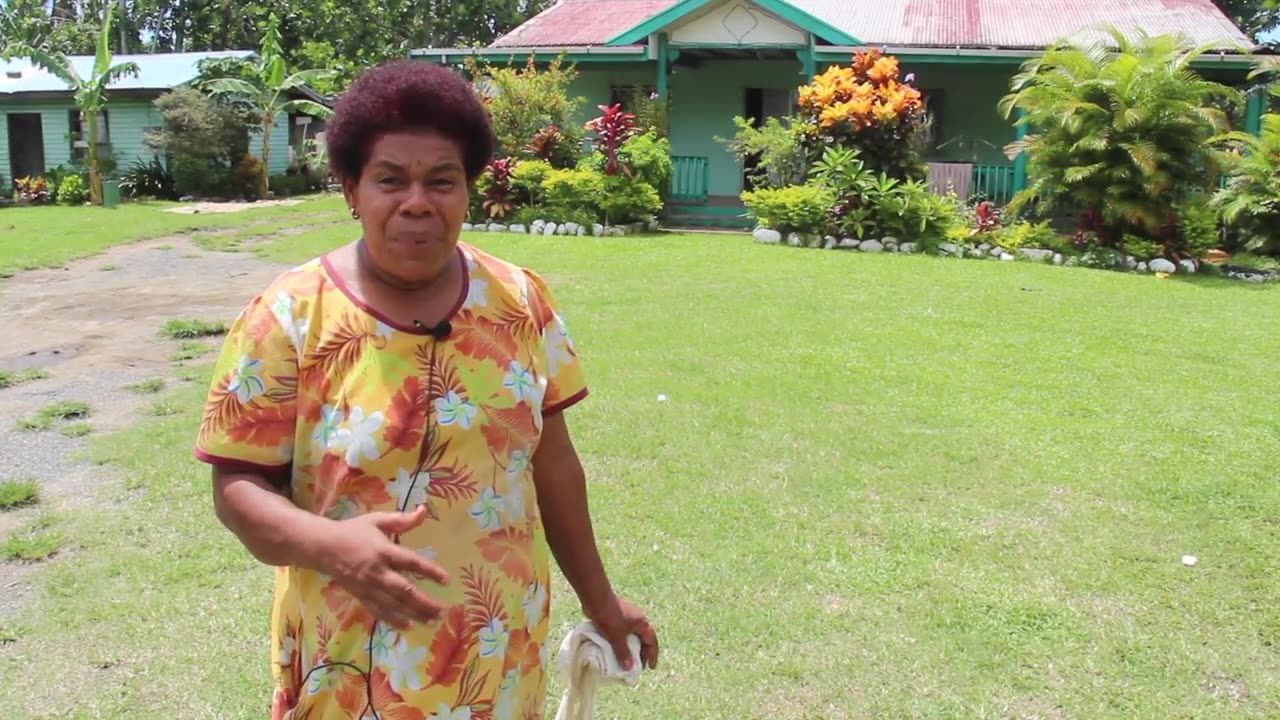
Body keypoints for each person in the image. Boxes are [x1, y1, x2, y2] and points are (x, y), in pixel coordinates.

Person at [194, 59, 658, 720]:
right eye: (390, 179)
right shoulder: (289, 316)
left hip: (500, 656)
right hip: (352, 670)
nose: (417, 201)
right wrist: (329, 546)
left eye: (442, 180)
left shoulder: (520, 301)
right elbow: (237, 486)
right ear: (352, 190)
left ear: (468, 190)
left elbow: (553, 463)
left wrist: (602, 601)